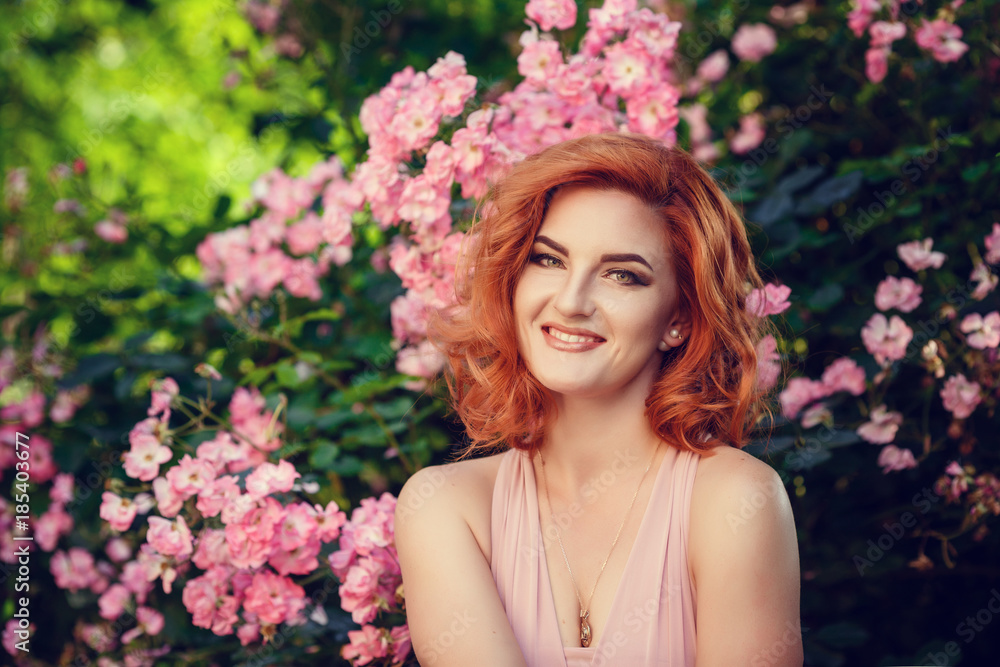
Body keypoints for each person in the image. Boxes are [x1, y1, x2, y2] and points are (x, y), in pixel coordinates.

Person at [395, 133, 802, 666]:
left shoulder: (735, 502)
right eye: (549, 260)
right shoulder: (446, 507)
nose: (570, 301)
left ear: (678, 319)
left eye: (621, 275)